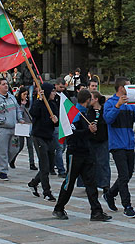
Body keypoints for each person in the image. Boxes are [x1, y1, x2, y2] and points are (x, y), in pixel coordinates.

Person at [53, 89, 112, 222]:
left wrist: (90, 131)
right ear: (87, 101)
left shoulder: (84, 113)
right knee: (70, 182)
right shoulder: (75, 114)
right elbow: (72, 135)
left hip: (86, 152)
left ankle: (96, 211)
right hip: (75, 153)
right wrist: (88, 130)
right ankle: (59, 208)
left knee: (91, 182)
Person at [103, 77, 135, 219]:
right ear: (121, 88)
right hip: (117, 145)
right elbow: (108, 119)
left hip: (129, 144)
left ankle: (110, 194)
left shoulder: (131, 105)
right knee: (124, 175)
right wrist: (117, 106)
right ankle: (127, 206)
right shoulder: (110, 103)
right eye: (128, 86)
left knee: (128, 173)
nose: (131, 88)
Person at [28, 83, 59, 201]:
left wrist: (56, 121)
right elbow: (33, 113)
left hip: (49, 136)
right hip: (38, 136)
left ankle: (34, 183)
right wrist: (39, 100)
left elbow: (57, 121)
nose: (54, 93)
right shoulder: (40, 104)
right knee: (44, 164)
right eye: (52, 91)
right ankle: (47, 192)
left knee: (51, 164)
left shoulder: (52, 104)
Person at [0, 77, 20, 181]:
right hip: (1, 129)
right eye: (3, 84)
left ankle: (5, 163)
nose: (6, 86)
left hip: (14, 128)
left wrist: (20, 119)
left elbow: (17, 109)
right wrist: (2, 120)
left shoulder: (11, 97)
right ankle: (3, 171)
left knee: (15, 148)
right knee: (3, 150)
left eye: (6, 84)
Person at [88, 91, 111, 193]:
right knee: (92, 162)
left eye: (91, 98)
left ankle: (105, 184)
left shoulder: (104, 110)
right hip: (92, 140)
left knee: (103, 162)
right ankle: (93, 182)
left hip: (103, 139)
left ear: (96, 99)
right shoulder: (89, 111)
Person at [16, 86, 36, 170]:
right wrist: (22, 105)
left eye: (27, 94)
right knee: (20, 145)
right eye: (24, 94)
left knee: (30, 145)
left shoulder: (29, 102)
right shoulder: (18, 103)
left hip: (29, 125)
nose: (26, 96)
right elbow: (19, 113)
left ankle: (32, 163)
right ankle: (12, 159)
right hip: (21, 125)